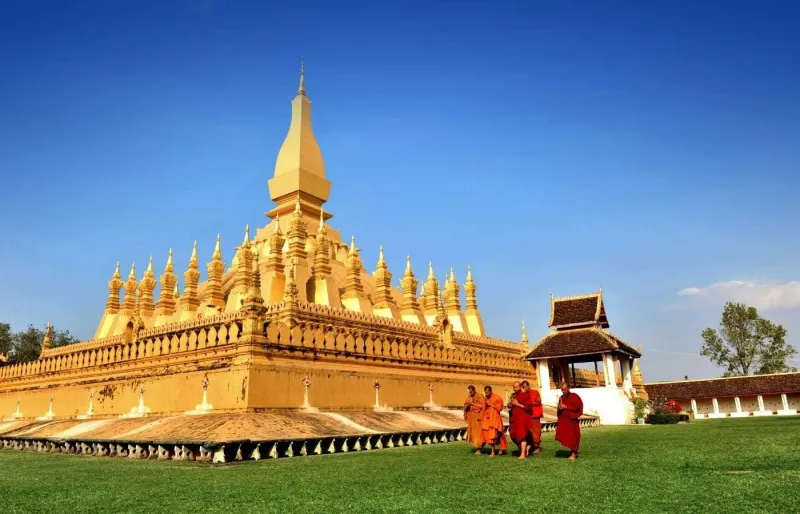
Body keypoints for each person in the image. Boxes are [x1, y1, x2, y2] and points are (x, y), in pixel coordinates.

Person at [555, 381, 584, 460]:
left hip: (572, 420)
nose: (563, 391)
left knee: (573, 437)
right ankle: (571, 451)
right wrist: (560, 407)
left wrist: (566, 407)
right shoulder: (561, 397)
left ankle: (574, 453)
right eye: (562, 390)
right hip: (564, 420)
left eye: (564, 389)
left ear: (568, 388)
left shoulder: (574, 396)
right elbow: (560, 407)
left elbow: (578, 407)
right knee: (566, 436)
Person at [507, 381, 534, 459]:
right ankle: (525, 449)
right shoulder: (513, 396)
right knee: (513, 435)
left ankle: (522, 454)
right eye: (514, 387)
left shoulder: (525, 395)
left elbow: (529, 407)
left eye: (516, 387)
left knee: (522, 436)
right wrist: (510, 404)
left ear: (520, 386)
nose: (515, 389)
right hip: (514, 418)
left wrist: (517, 404)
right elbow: (509, 405)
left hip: (522, 418)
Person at [481, 385, 505, 457]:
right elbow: (483, 408)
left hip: (495, 418)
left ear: (491, 391)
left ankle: (493, 451)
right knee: (489, 434)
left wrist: (491, 404)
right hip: (488, 418)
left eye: (488, 392)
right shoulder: (485, 398)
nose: (486, 394)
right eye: (485, 392)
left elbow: (499, 408)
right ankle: (496, 449)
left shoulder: (497, 398)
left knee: (494, 435)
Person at [521, 380, 543, 454]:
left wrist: (530, 403)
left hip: (535, 415)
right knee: (528, 431)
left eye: (524, 387)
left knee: (536, 431)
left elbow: (538, 401)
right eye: (522, 387)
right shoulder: (523, 394)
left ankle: (536, 447)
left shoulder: (535, 392)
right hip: (527, 415)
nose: (523, 389)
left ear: (528, 386)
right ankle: (530, 446)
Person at [463, 385, 485, 454]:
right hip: (472, 419)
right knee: (473, 433)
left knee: (479, 433)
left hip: (479, 418)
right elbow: (465, 404)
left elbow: (483, 406)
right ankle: (478, 448)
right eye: (469, 392)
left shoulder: (480, 396)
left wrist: (472, 404)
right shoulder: (469, 397)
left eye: (471, 392)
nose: (470, 393)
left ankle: (479, 449)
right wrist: (467, 406)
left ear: (474, 390)